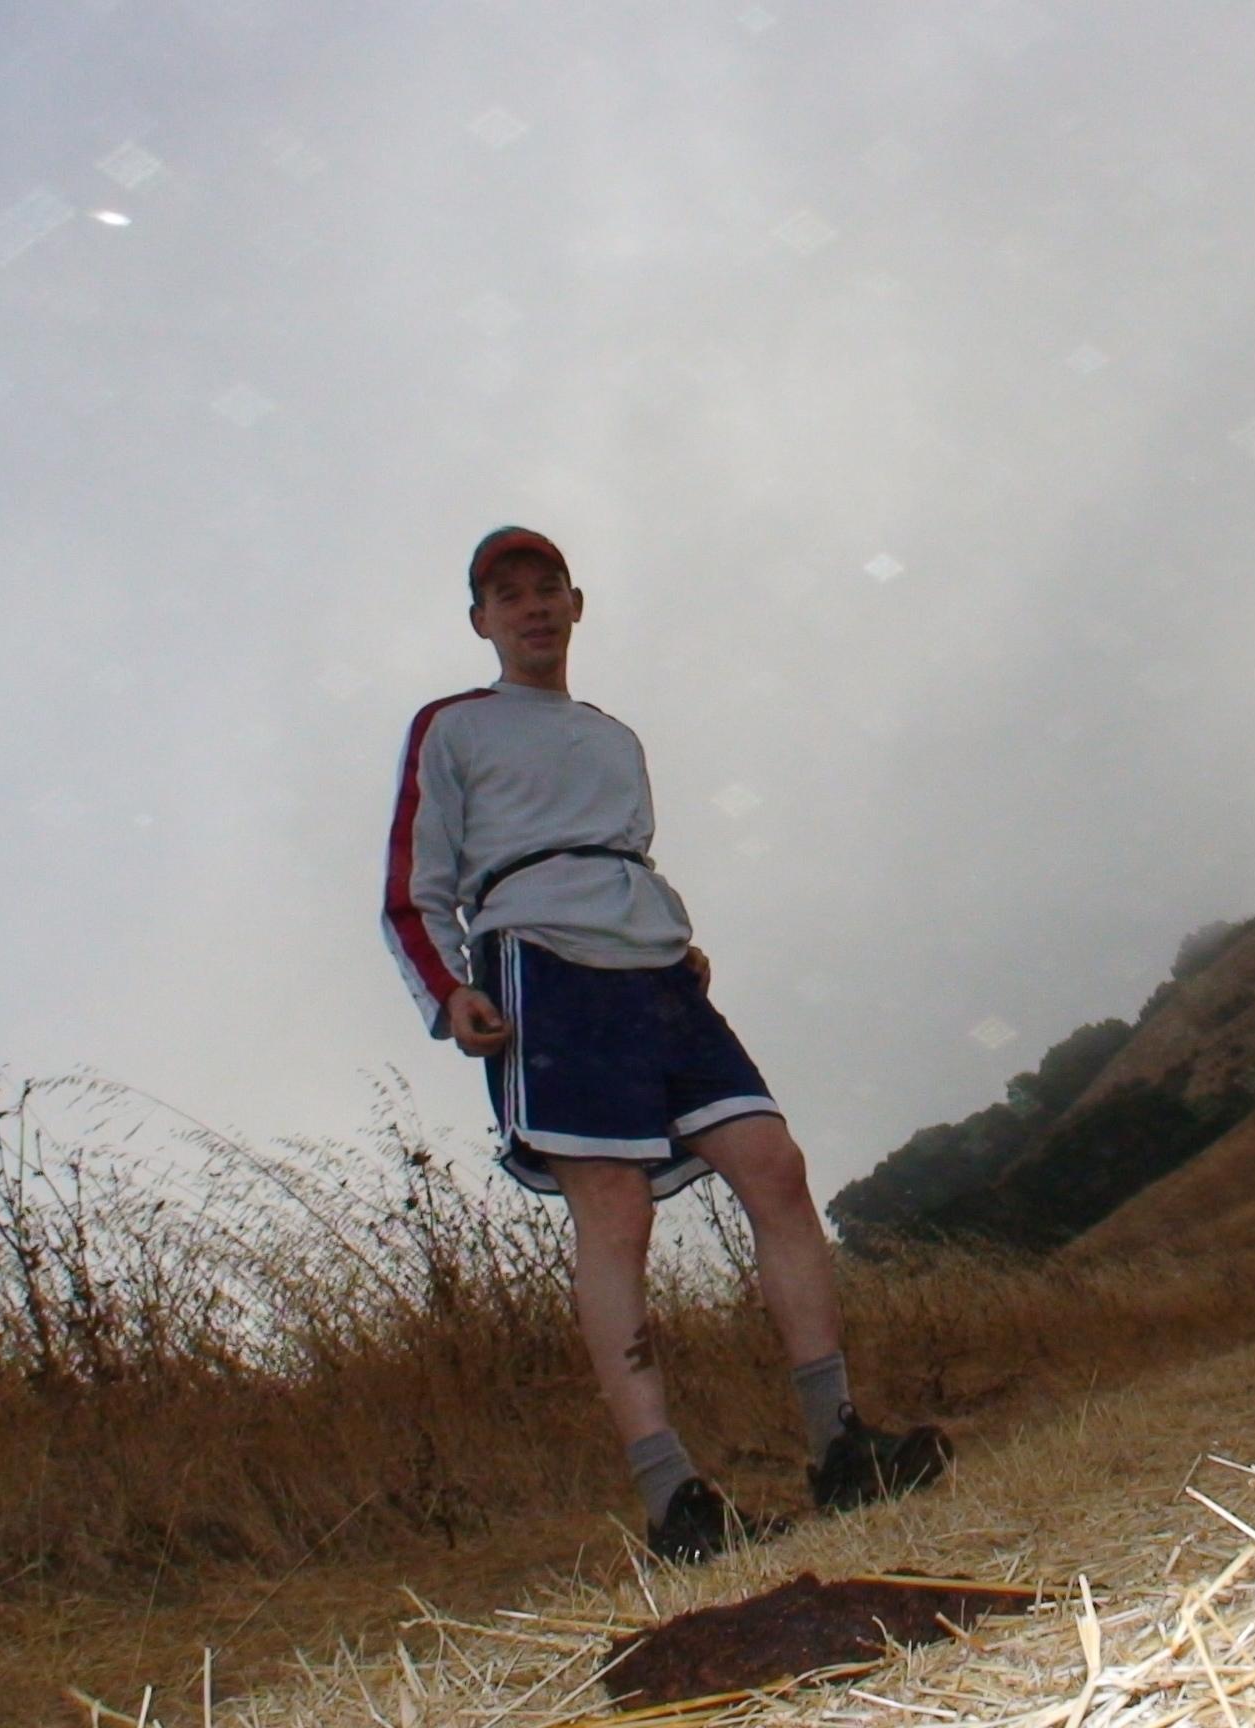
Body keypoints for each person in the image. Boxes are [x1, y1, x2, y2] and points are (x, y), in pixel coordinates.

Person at [380, 525, 950, 1563]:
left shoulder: (613, 736)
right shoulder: (451, 727)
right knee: (616, 1212)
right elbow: (410, 885)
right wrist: (449, 988)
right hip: (542, 966)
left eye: (548, 587)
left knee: (774, 1168)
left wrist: (675, 940)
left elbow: (628, 853)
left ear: (577, 604)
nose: (533, 607)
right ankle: (674, 1498)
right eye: (507, 595)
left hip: (657, 970)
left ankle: (839, 1446)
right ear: (481, 623)